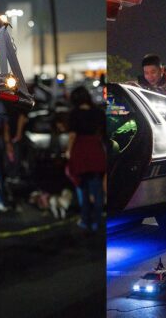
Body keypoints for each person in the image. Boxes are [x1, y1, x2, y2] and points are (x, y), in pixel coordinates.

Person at [65, 86, 106, 231]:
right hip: (95, 150)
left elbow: (72, 135)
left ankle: (85, 220)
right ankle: (98, 222)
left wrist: (68, 151)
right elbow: (102, 133)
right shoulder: (98, 112)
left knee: (83, 188)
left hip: (80, 151)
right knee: (97, 189)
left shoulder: (74, 114)